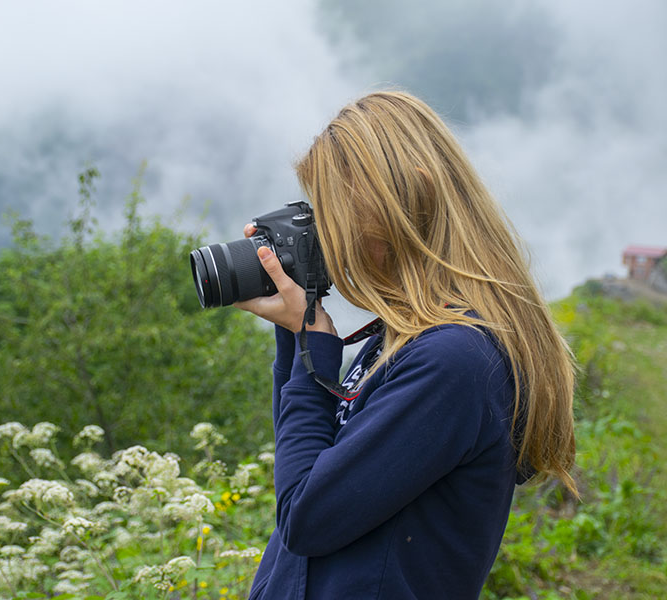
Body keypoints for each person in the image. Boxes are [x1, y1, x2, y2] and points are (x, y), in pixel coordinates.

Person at [234, 91, 577, 600]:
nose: (327, 236)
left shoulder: (453, 362)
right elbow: (309, 462)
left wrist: (313, 340)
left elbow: (307, 518)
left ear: (404, 202)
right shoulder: (408, 338)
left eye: (333, 213)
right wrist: (297, 333)